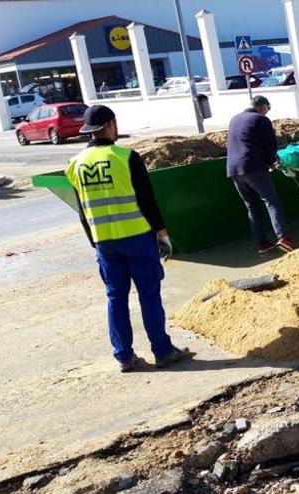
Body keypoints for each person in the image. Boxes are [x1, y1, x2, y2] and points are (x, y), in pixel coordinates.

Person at [66, 105, 190, 372]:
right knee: (149, 295)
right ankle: (163, 351)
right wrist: (163, 234)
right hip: (137, 239)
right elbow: (147, 201)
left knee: (116, 298)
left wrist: (95, 242)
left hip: (105, 243)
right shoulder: (125, 157)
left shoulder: (75, 164)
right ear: (111, 125)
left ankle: (124, 356)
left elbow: (82, 211)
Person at [227, 95, 295, 254]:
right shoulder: (261, 119)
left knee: (252, 206)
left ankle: (262, 244)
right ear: (262, 106)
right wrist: (272, 163)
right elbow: (270, 145)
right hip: (253, 167)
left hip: (234, 170)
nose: (267, 112)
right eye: (268, 108)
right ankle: (284, 238)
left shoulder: (234, 119)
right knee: (272, 201)